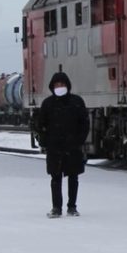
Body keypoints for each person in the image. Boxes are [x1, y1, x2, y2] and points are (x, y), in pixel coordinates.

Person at [31, 71, 90, 218]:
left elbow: (84, 123)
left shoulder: (77, 102)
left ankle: (72, 207)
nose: (60, 87)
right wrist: (45, 141)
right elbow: (40, 124)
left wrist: (79, 140)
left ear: (67, 85)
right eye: (57, 84)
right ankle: (56, 207)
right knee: (55, 178)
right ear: (52, 86)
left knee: (73, 177)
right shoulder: (47, 104)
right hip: (54, 147)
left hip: (73, 146)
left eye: (62, 84)